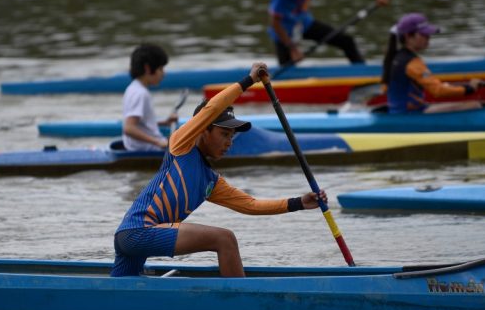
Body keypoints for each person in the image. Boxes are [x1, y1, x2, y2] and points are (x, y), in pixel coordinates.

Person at [111, 62, 327, 278]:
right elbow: (212, 108)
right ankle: (240, 302)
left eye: (232, 137)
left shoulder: (211, 182)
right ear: (203, 130)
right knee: (225, 239)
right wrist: (249, 80)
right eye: (224, 135)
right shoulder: (180, 145)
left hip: (133, 237)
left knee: (118, 292)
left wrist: (298, 202)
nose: (229, 142)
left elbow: (251, 205)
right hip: (138, 232)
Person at [381, 13, 482, 114]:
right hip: (411, 115)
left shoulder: (394, 58)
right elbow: (438, 91)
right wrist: (469, 88)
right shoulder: (412, 63)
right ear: (408, 36)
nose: (428, 37)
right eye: (424, 34)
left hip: (399, 112)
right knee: (474, 105)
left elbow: (385, 89)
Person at [122, 44, 178, 151]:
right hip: (149, 149)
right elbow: (129, 128)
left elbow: (140, 124)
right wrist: (158, 142)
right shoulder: (141, 94)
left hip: (138, 146)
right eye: (161, 69)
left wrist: (164, 122)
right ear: (147, 68)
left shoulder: (132, 88)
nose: (163, 74)